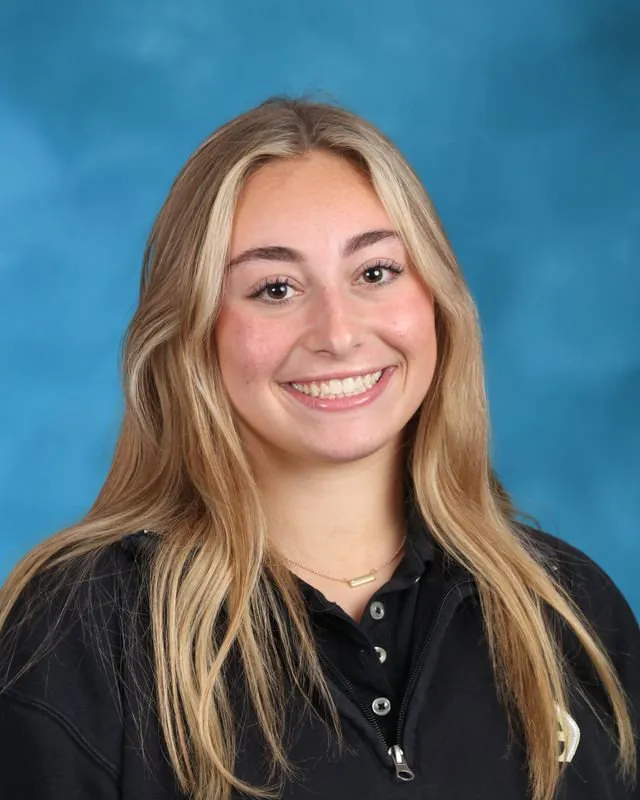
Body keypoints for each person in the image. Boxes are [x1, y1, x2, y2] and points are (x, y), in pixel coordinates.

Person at [0, 96, 637, 800]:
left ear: (437, 300)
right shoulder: (79, 634)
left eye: (374, 273)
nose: (337, 332)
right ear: (193, 333)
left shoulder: (568, 608)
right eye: (274, 288)